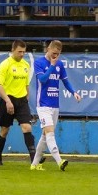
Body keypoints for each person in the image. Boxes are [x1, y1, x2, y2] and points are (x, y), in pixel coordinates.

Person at [31, 40, 80, 171]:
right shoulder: (39, 62)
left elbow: (65, 81)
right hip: (43, 104)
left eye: (58, 54)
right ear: (48, 49)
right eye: (53, 53)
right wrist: (52, 65)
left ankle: (34, 164)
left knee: (45, 134)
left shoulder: (60, 64)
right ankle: (60, 161)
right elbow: (42, 79)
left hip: (55, 104)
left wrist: (74, 92)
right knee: (50, 132)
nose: (55, 56)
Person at [0, 39, 36, 165]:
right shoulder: (5, 64)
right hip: (8, 99)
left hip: (22, 100)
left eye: (23, 52)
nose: (22, 54)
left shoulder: (26, 65)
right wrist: (7, 101)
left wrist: (27, 96)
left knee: (27, 127)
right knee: (5, 130)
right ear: (12, 50)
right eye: (19, 52)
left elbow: (26, 84)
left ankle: (34, 160)